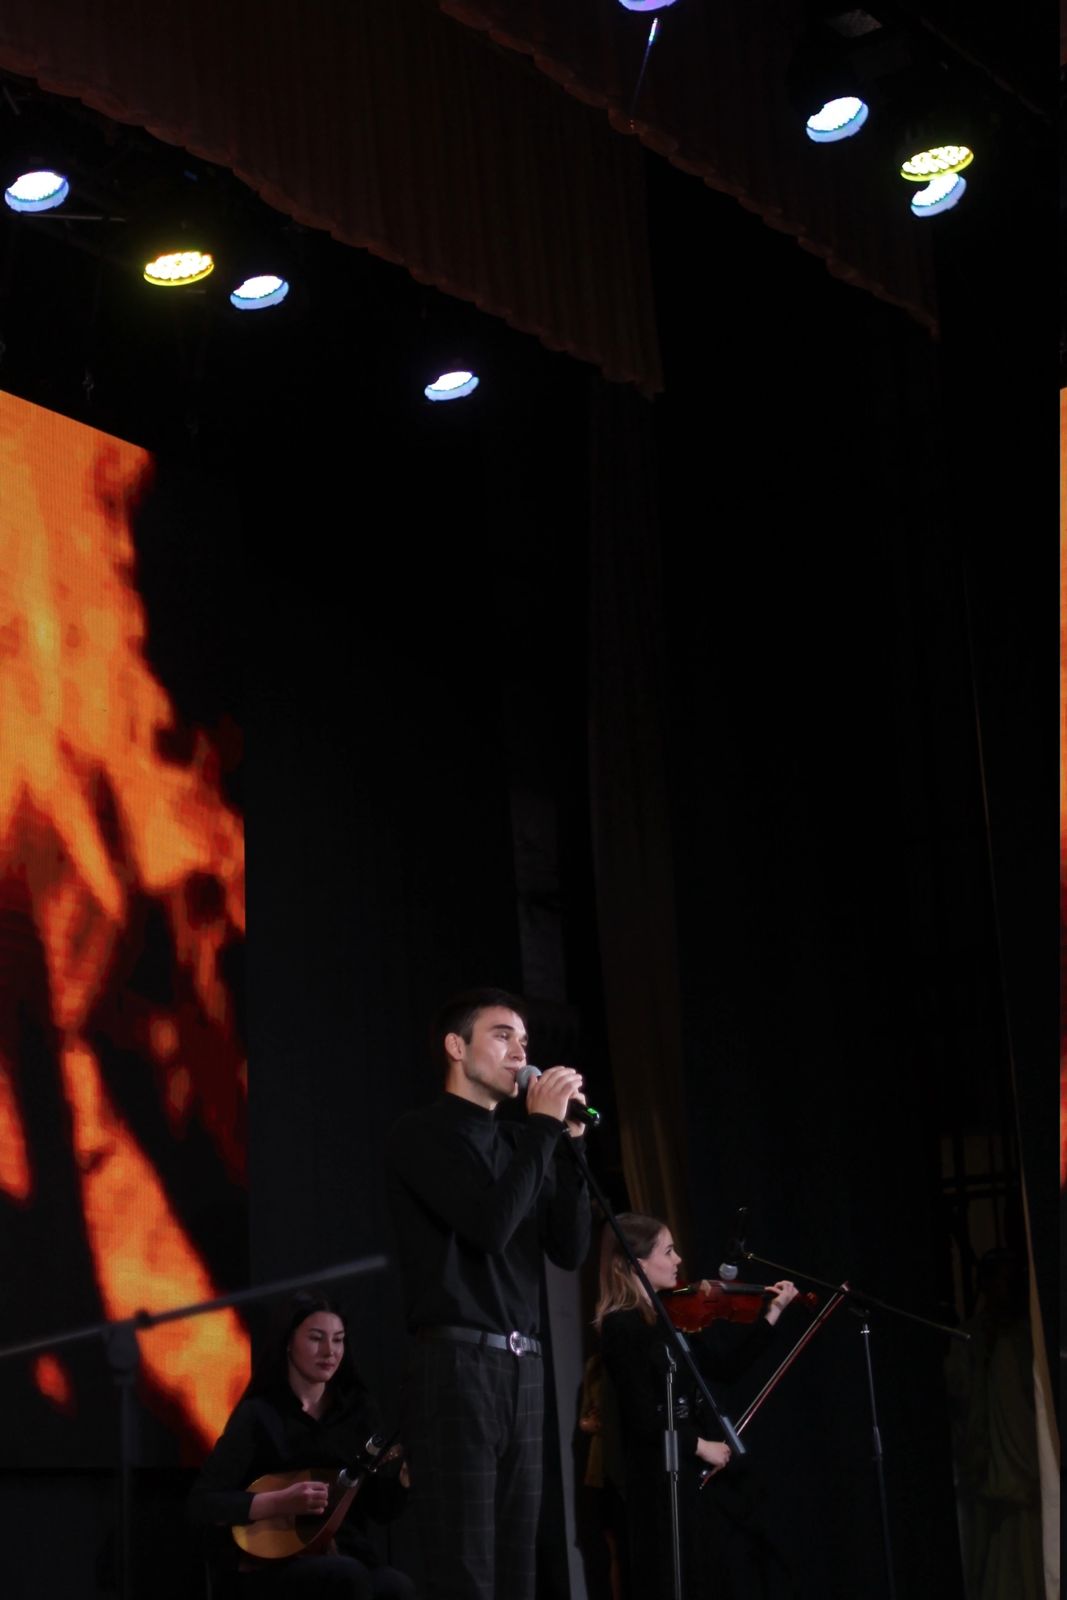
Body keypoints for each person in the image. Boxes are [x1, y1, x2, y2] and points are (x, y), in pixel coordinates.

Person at [384, 987, 592, 1600]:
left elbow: (569, 1250)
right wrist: (543, 1130)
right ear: (457, 1046)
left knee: (516, 1566)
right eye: (503, 1036)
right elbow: (488, 1227)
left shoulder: (523, 1143)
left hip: (523, 1364)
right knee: (466, 1568)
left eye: (524, 1040)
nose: (520, 1053)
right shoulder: (420, 1134)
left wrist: (571, 1148)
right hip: (456, 1362)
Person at [595, 1212, 798, 1600]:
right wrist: (700, 1445)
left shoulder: (669, 1318)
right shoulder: (622, 1327)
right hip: (660, 1482)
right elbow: (642, 1417)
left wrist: (772, 1314)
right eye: (668, 1251)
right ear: (637, 1264)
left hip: (691, 1477)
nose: (679, 1260)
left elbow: (725, 1368)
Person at [189, 1293, 416, 1598]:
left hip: (344, 1552)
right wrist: (281, 1502)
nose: (330, 1351)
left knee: (396, 1586)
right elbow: (203, 1502)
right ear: (288, 1342)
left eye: (338, 1340)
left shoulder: (358, 1410)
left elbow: (379, 1509)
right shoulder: (259, 1414)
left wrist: (404, 1477)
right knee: (346, 1577)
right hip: (273, 1563)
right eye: (316, 1338)